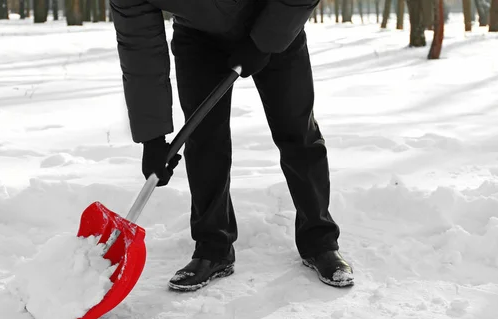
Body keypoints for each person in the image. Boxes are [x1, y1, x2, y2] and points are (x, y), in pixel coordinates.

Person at [110, 0, 354, 291]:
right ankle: (213, 248)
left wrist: (265, 41)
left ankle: (320, 241)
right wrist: (152, 138)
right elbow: (139, 50)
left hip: (275, 17)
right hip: (198, 36)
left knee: (298, 134)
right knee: (203, 140)